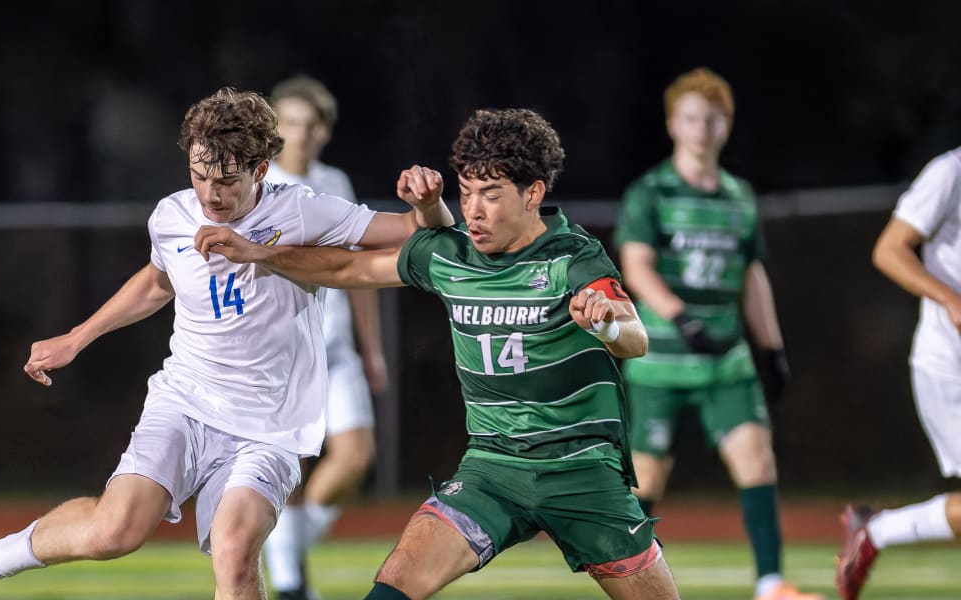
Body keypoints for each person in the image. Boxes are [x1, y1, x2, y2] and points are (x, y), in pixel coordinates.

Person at [0, 87, 453, 600]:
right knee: (113, 532)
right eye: (199, 176)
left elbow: (417, 230)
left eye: (227, 181)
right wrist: (77, 337)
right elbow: (157, 283)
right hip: (187, 401)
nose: (211, 193)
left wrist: (428, 204)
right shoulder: (171, 216)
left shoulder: (302, 210)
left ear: (261, 169)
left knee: (235, 552)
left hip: (270, 424)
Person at [195, 107, 680, 600]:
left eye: (491, 195)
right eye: (466, 193)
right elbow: (347, 269)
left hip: (580, 472)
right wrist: (260, 253)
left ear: (533, 194)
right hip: (493, 469)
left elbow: (634, 338)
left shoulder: (572, 256)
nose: (474, 210)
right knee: (397, 580)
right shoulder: (452, 254)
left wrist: (606, 323)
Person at [612, 67, 821, 600]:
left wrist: (772, 347)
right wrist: (680, 317)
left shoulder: (738, 196)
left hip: (726, 360)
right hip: (660, 360)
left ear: (726, 125)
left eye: (712, 120)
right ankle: (629, 583)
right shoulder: (651, 192)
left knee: (757, 459)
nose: (701, 130)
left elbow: (752, 276)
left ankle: (771, 584)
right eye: (691, 119)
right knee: (647, 480)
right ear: (672, 124)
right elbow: (636, 267)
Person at [260, 75, 388, 599]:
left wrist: (372, 349)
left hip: (334, 348)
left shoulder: (335, 181)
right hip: (281, 352)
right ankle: (290, 583)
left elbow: (359, 270)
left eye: (310, 124)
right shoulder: (258, 182)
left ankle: (283, 552)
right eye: (289, 123)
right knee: (290, 467)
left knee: (355, 456)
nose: (300, 133)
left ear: (325, 131)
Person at [836, 147, 961, 600]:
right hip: (951, 365)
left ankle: (875, 531)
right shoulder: (951, 171)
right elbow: (889, 249)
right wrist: (950, 299)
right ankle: (876, 531)